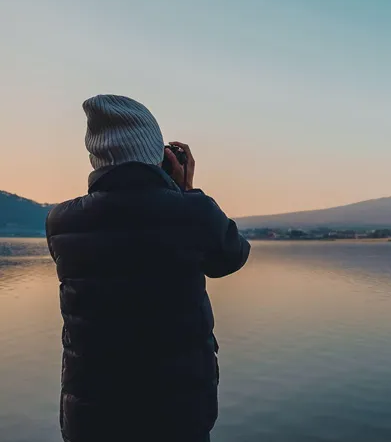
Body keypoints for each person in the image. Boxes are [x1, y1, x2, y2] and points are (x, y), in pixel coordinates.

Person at [46, 95, 250, 442]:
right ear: (156, 154)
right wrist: (184, 190)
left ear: (96, 156)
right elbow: (230, 256)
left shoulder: (61, 221)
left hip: (91, 414)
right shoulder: (192, 212)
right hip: (176, 412)